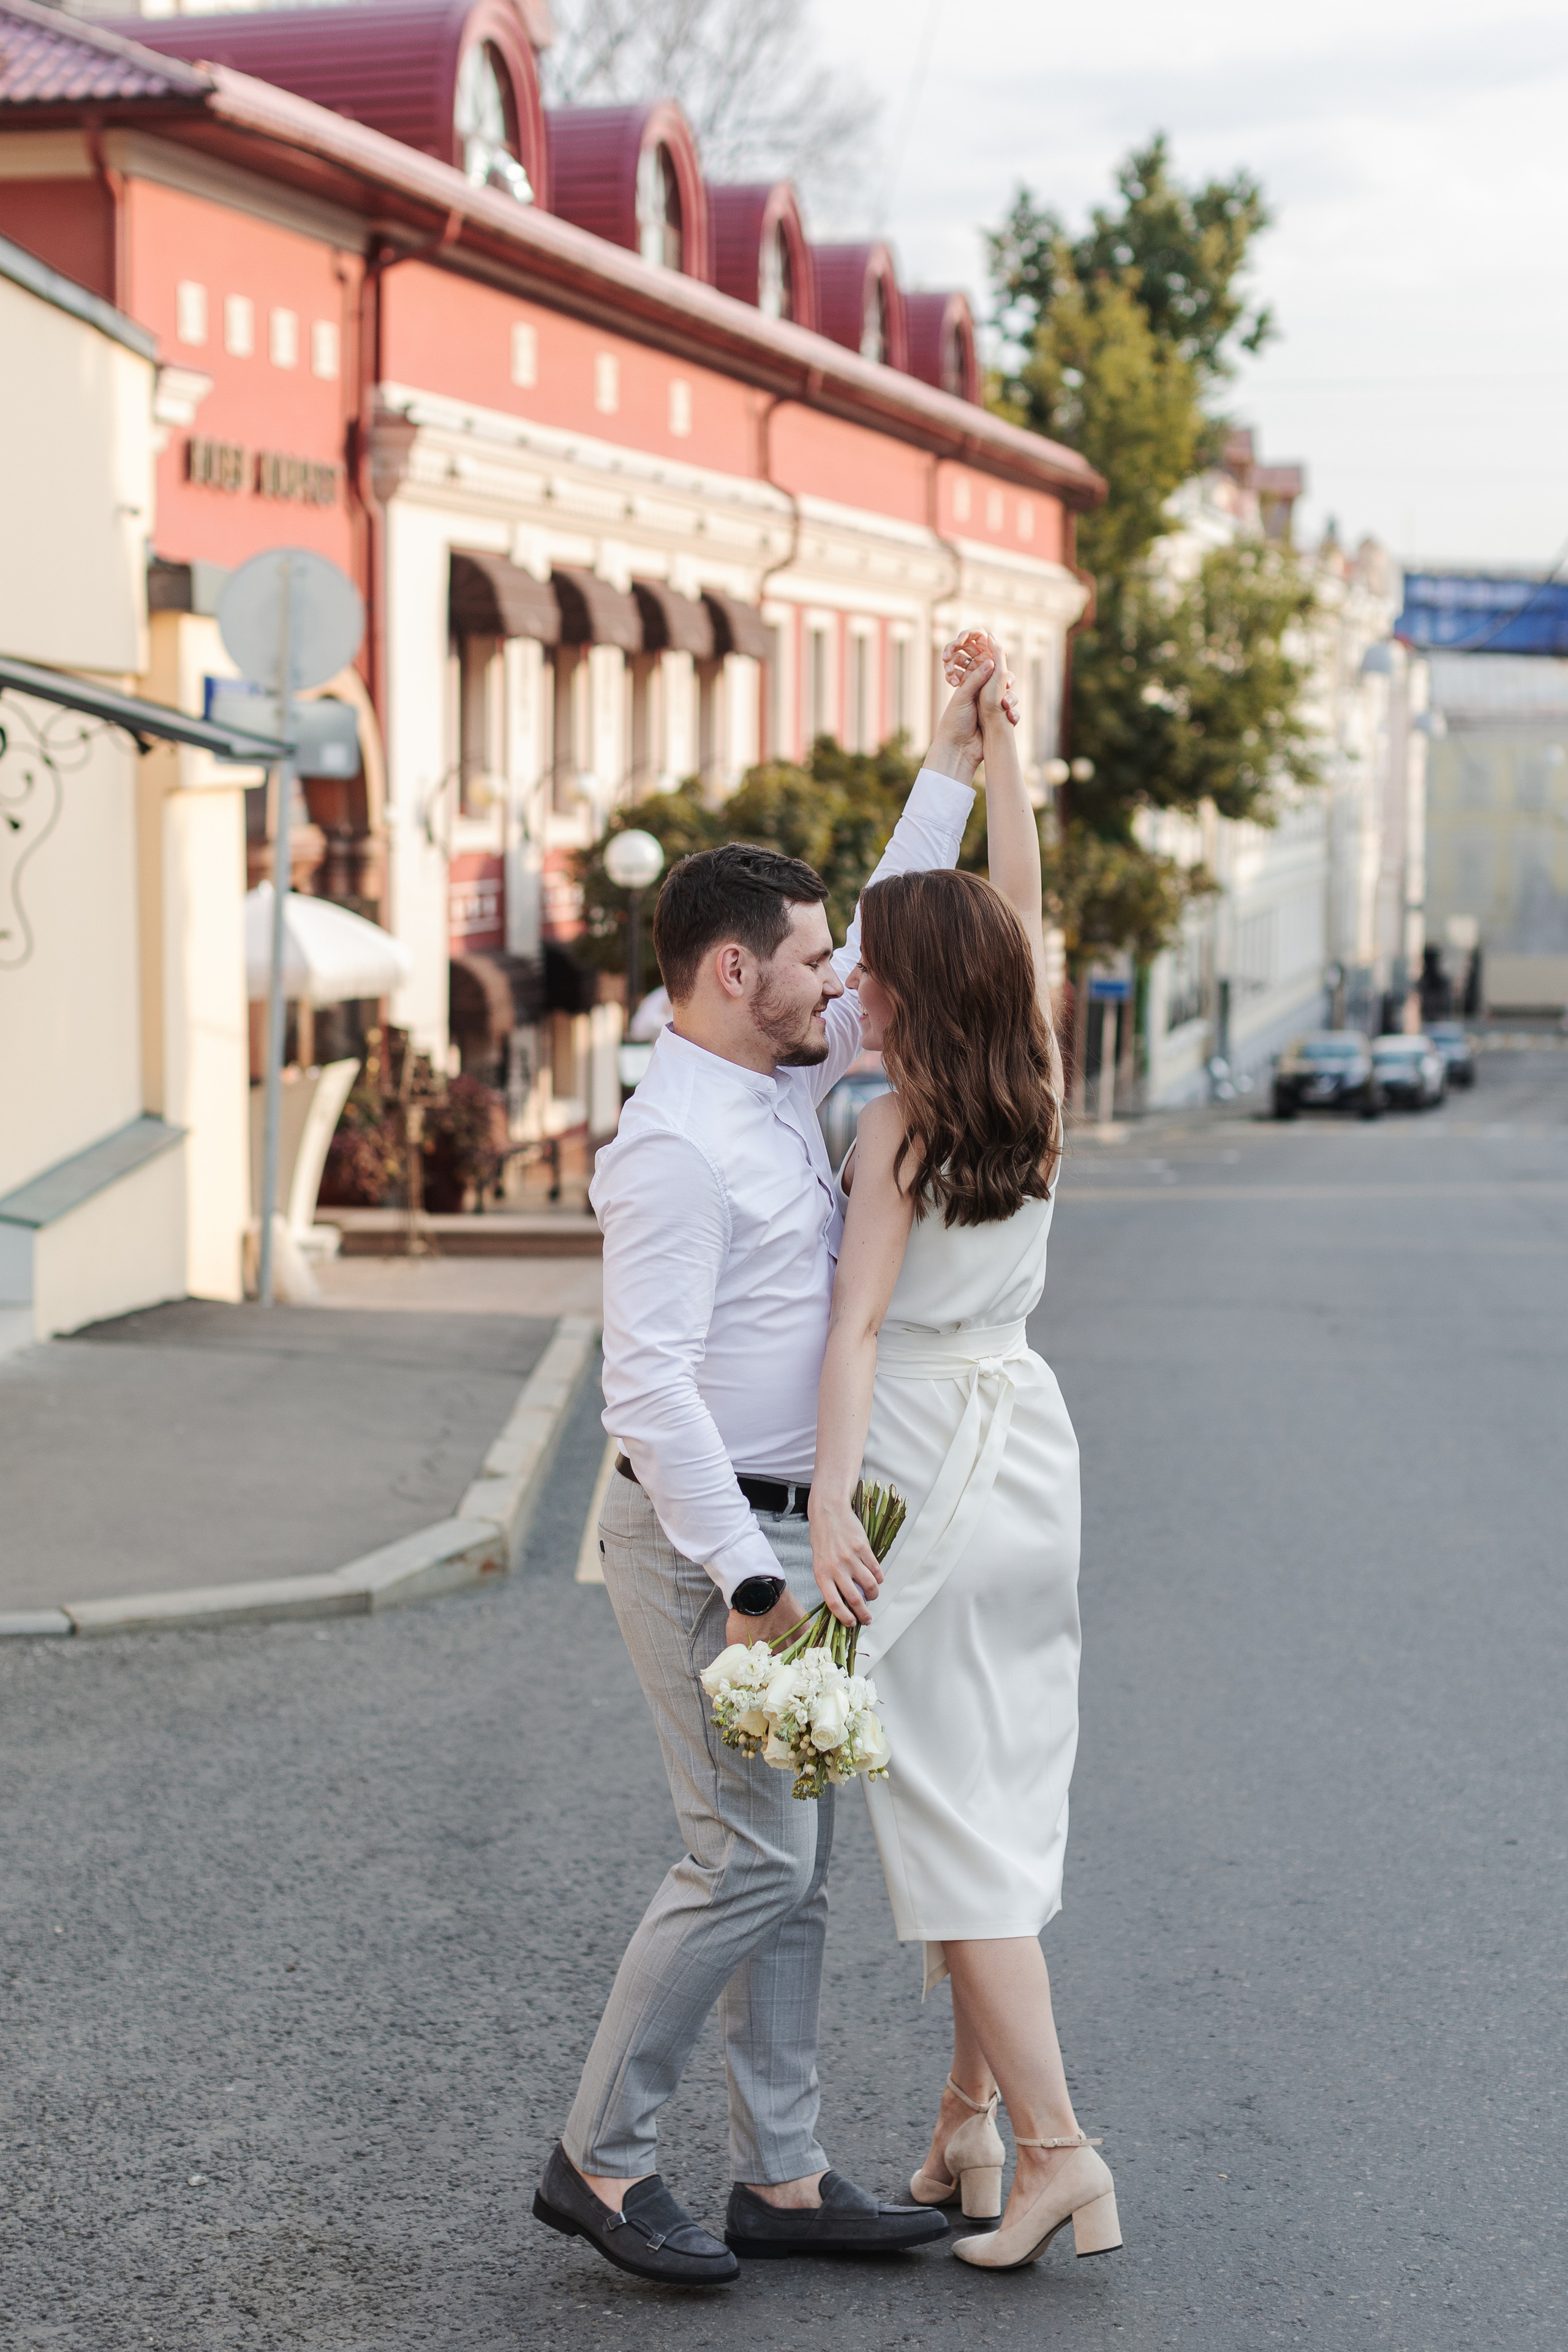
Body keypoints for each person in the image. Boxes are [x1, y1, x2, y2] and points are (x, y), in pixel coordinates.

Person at [533, 657, 1008, 2286]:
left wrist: (948, 765)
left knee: (793, 1871)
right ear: (737, 973)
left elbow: (883, 928)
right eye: (812, 962)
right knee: (743, 1859)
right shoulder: (670, 1145)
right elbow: (646, 1384)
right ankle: (602, 2155)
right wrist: (744, 1578)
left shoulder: (782, 1071)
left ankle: (788, 2180)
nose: (844, 980)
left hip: (790, 1534)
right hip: (703, 1541)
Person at [807, 632, 1122, 2273]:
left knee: (943, 1830)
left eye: (869, 969)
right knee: (1001, 1791)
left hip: (922, 1456)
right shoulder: (1038, 1080)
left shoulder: (895, 1121)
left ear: (911, 991)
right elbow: (1022, 912)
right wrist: (1001, 751)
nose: (850, 984)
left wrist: (826, 1522)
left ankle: (1061, 2147)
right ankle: (970, 2130)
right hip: (1032, 1452)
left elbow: (851, 1333)